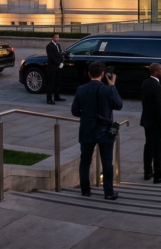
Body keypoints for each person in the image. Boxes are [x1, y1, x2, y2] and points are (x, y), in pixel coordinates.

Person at [72, 61, 123, 200]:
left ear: (89, 74)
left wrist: (88, 116)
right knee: (107, 162)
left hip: (87, 129)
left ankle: (85, 190)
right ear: (103, 74)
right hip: (105, 130)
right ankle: (108, 192)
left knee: (85, 161)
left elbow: (75, 111)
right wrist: (113, 86)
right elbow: (119, 105)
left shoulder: (81, 89)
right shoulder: (108, 89)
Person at [141, 63, 161, 184]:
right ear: (155, 72)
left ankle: (147, 171)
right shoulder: (157, 87)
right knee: (158, 149)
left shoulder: (145, 83)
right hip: (156, 124)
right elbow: (159, 108)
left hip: (147, 121)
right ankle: (158, 175)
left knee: (148, 146)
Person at [45, 34, 65, 105]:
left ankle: (57, 96)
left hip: (58, 68)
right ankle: (49, 99)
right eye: (56, 37)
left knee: (57, 82)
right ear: (52, 38)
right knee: (51, 83)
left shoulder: (58, 45)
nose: (57, 38)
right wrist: (58, 64)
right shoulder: (49, 46)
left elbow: (60, 55)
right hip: (52, 68)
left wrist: (62, 62)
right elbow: (51, 57)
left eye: (58, 37)